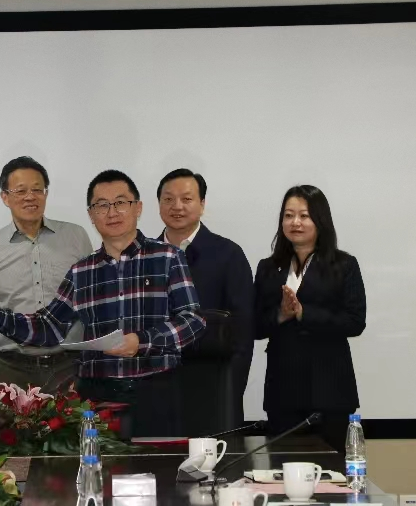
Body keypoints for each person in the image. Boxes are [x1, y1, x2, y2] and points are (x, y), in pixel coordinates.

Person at [0, 170, 205, 436]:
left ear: (137, 208)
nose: (111, 212)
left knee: (160, 462)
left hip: (157, 388)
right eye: (101, 205)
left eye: (120, 202)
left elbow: (193, 321)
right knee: (97, 462)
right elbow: (48, 327)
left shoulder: (168, 257)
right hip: (98, 398)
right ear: (91, 215)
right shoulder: (82, 270)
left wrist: (141, 341)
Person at [254, 185, 366, 451]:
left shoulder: (344, 265)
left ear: (320, 220)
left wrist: (304, 313)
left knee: (332, 471)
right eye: (288, 215)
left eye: (304, 216)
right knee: (281, 468)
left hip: (330, 390)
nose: (295, 222)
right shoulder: (268, 267)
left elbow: (355, 321)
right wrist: (281, 314)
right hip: (283, 391)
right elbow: (254, 326)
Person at [0, 156, 92, 391]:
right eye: (20, 190)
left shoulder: (76, 237)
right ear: (5, 197)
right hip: (12, 369)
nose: (30, 197)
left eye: (37, 189)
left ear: (46, 193)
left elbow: (91, 306)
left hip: (69, 367)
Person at [156, 168, 254, 425]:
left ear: (202, 204)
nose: (177, 206)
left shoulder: (228, 254)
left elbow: (243, 333)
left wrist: (231, 391)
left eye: (186, 199)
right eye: (168, 199)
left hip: (213, 387)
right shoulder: (145, 256)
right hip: (154, 389)